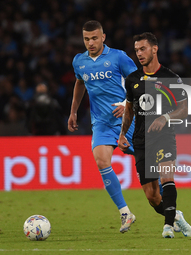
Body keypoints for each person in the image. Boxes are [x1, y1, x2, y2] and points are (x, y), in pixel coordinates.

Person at [118, 32, 191, 238]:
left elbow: (184, 109)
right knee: (152, 197)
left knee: (167, 176)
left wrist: (165, 118)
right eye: (136, 50)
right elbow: (129, 110)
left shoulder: (171, 78)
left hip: (163, 136)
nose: (139, 54)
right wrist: (122, 134)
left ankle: (168, 227)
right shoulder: (133, 79)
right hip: (141, 140)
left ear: (154, 49)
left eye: (143, 49)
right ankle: (176, 216)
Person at [68, 20, 137, 233]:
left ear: (103, 37)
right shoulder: (79, 61)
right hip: (101, 123)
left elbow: (138, 82)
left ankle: (170, 209)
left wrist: (127, 103)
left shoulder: (118, 57)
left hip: (127, 119)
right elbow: (80, 82)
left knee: (146, 170)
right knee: (101, 160)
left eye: (94, 38)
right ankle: (125, 212)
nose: (90, 42)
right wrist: (73, 111)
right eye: (86, 39)